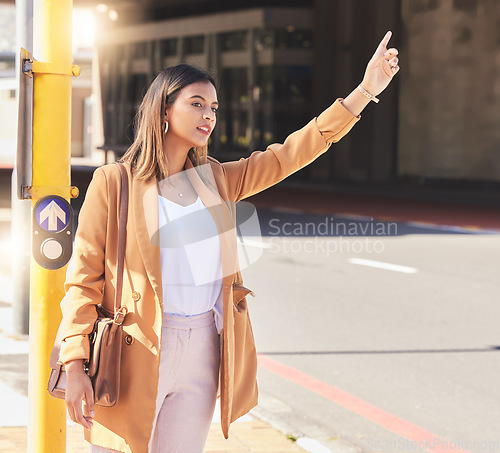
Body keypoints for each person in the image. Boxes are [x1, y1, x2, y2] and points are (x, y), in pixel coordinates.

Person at [58, 31, 399, 453]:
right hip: (136, 351)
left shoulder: (215, 179)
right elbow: (84, 279)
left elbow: (291, 154)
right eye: (196, 104)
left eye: (214, 107)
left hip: (203, 346)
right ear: (164, 109)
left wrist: (365, 92)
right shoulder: (115, 183)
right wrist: (74, 364)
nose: (209, 115)